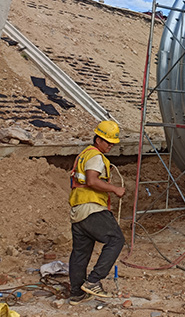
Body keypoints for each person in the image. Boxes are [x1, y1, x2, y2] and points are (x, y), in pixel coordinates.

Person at [68, 120, 126, 305]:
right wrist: (115, 189)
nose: (110, 145)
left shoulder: (84, 155)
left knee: (80, 253)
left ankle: (76, 293)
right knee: (116, 239)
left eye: (113, 143)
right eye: (108, 142)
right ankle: (94, 280)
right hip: (91, 207)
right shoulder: (95, 157)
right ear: (98, 138)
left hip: (78, 210)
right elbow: (92, 181)